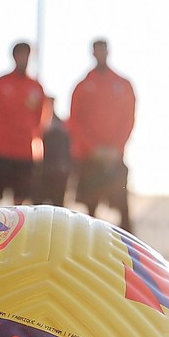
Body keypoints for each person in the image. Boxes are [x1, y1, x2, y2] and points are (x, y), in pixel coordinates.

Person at [68, 37, 136, 228]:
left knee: (122, 207)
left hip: (114, 157)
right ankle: (89, 244)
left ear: (108, 52)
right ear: (92, 53)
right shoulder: (82, 86)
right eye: (97, 50)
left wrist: (116, 148)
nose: (100, 54)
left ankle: (127, 245)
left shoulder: (123, 84)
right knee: (90, 210)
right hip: (90, 159)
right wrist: (92, 149)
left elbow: (129, 119)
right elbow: (75, 121)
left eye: (103, 50)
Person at [0, 41, 49, 206]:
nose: (24, 58)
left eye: (27, 55)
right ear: (14, 56)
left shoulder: (36, 87)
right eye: (20, 54)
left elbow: (42, 119)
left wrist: (32, 137)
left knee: (20, 200)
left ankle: (16, 224)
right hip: (2, 152)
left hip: (26, 153)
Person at [36, 110, 72, 209]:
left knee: (55, 205)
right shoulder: (44, 127)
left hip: (56, 171)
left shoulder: (63, 130)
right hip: (49, 171)